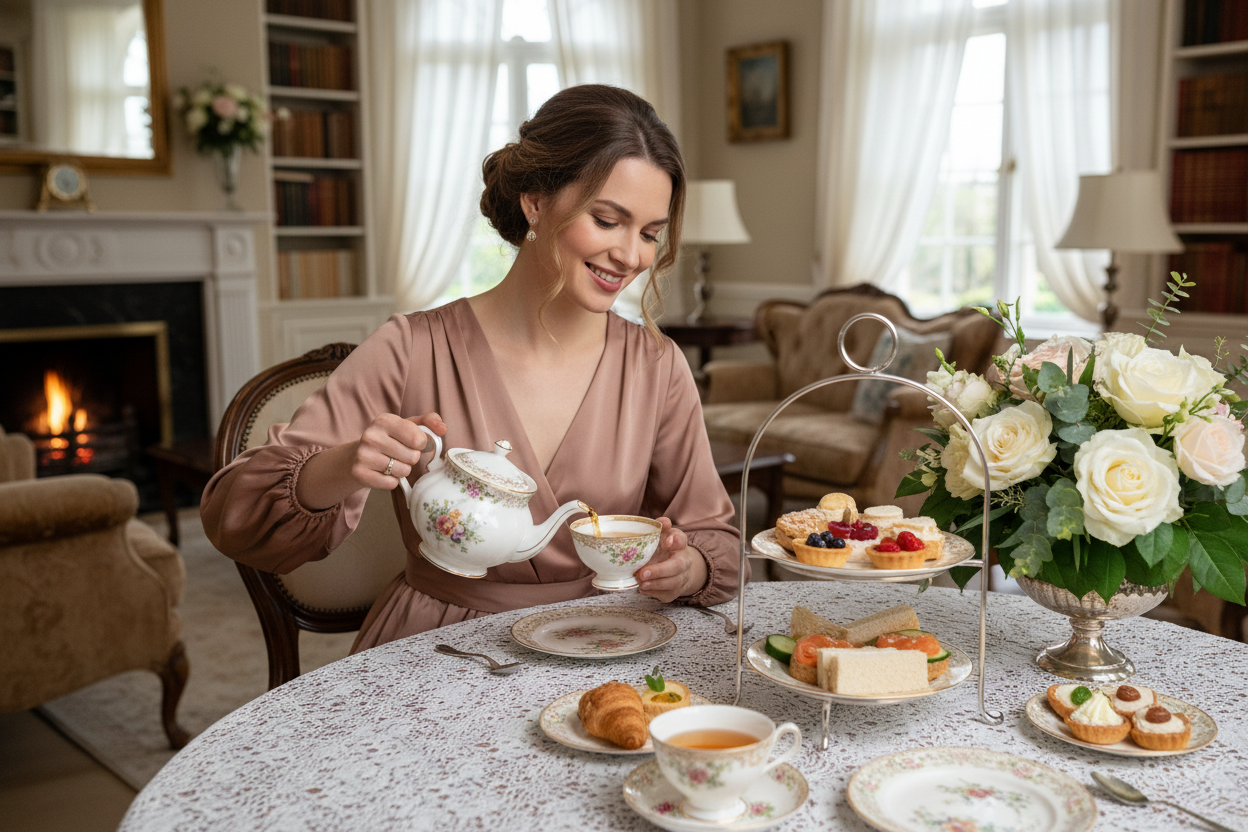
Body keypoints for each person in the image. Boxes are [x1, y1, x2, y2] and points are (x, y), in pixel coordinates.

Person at [201, 84, 747, 651]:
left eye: (650, 234)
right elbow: (232, 516)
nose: (631, 256)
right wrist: (344, 465)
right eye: (608, 220)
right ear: (536, 202)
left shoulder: (656, 364)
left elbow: (719, 541)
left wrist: (689, 568)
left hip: (605, 643)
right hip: (439, 645)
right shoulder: (411, 347)